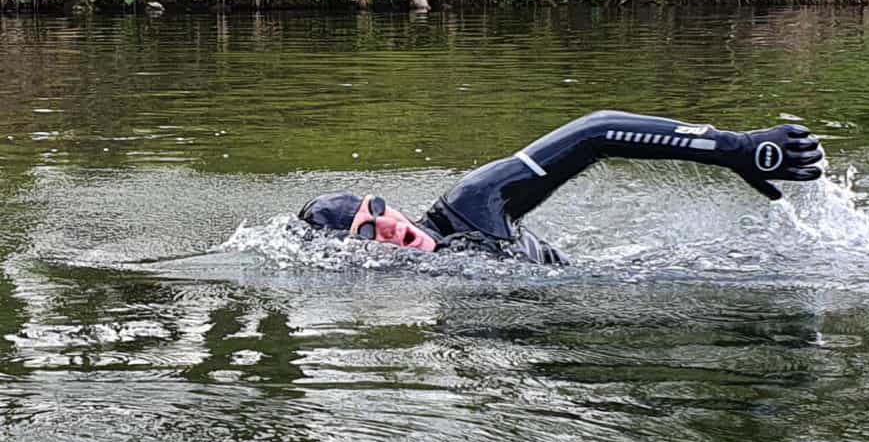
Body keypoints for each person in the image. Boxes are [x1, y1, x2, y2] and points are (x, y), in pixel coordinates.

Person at [298, 110, 823, 265]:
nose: (387, 227)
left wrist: (732, 147)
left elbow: (594, 133)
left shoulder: (473, 205)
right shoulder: (438, 312)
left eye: (377, 211)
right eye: (366, 234)